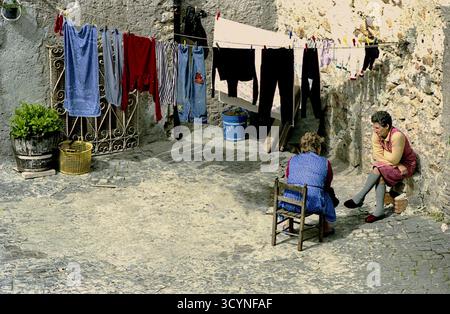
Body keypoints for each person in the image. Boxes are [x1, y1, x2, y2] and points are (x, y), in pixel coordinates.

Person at [344, 111, 417, 223]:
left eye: (377, 128)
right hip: (396, 165)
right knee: (379, 172)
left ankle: (361, 198)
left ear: (387, 126)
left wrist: (395, 161)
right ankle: (378, 211)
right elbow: (376, 156)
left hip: (406, 166)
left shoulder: (397, 136)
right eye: (374, 127)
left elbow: (394, 159)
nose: (375, 130)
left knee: (377, 168)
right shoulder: (376, 134)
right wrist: (395, 162)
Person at [280, 132, 338, 236]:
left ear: (302, 146)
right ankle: (325, 226)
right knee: (327, 192)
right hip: (311, 204)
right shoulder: (325, 162)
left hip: (290, 202)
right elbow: (327, 183)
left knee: (292, 189)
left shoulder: (292, 160)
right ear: (318, 147)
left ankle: (287, 224)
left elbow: (288, 178)